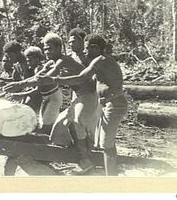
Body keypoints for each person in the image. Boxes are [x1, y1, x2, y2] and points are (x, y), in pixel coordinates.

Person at [4, 33, 100, 173]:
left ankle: (87, 160)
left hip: (89, 96)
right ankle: (75, 156)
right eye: (45, 48)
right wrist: (18, 84)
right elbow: (38, 77)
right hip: (78, 97)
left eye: (50, 48)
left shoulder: (63, 60)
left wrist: (19, 85)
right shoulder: (50, 62)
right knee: (57, 131)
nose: (47, 51)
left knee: (78, 124)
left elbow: (46, 79)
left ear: (59, 48)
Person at [38, 34, 128, 176]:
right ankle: (107, 170)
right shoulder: (99, 60)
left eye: (87, 48)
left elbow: (81, 77)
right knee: (106, 143)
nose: (85, 52)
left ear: (96, 48)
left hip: (114, 105)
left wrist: (56, 79)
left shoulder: (101, 60)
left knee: (106, 145)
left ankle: (111, 179)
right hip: (107, 104)